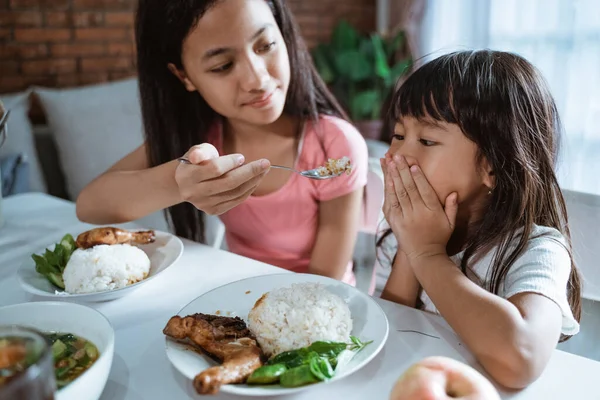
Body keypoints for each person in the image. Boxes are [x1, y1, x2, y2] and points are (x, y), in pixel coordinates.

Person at [75, 0, 368, 285]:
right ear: (183, 75)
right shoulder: (200, 138)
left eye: (265, 46)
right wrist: (180, 183)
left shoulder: (334, 144)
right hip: (242, 295)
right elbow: (89, 206)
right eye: (223, 65)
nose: (257, 79)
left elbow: (324, 283)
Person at [377, 50, 581, 389]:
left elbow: (520, 360)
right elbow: (390, 329)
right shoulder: (398, 234)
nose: (398, 155)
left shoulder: (536, 250)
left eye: (427, 140)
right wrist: (410, 247)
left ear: (492, 165)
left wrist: (426, 253)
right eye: (398, 135)